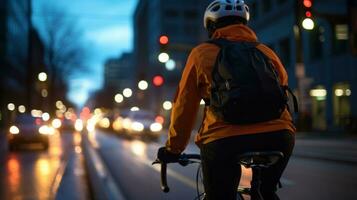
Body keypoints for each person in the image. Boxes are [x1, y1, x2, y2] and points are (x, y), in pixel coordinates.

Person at [157, 0, 296, 200]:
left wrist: (173, 149)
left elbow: (184, 105)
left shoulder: (201, 53)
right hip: (279, 136)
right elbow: (281, 90)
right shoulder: (266, 52)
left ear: (211, 26)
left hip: (224, 138)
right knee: (267, 192)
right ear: (244, 24)